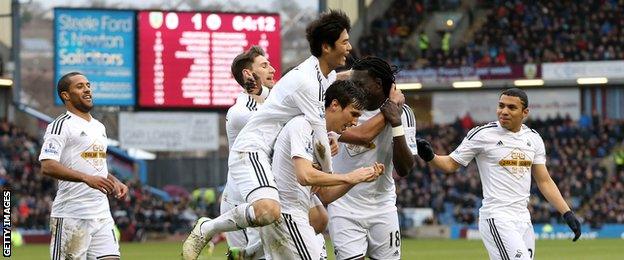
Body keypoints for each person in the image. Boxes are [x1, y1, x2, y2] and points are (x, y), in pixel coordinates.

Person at [182, 9, 353, 258]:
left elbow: (314, 112)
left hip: (273, 164)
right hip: (253, 158)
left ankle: (247, 254)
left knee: (318, 218)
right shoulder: (248, 108)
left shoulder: (319, 79)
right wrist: (325, 172)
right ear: (327, 47)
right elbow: (313, 130)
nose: (272, 68)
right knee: (268, 212)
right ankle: (208, 227)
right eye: (345, 42)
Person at [417, 88, 582, 260]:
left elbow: (544, 181)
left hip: (523, 219)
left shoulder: (533, 139)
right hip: (497, 217)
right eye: (501, 106)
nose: (504, 111)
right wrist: (430, 157)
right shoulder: (482, 134)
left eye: (511, 107)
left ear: (525, 112)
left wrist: (567, 213)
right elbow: (450, 164)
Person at [261, 79, 384, 260]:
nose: (355, 122)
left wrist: (358, 179)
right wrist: (349, 177)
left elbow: (326, 195)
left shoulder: (323, 138)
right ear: (334, 105)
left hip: (299, 216)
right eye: (353, 114)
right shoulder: (302, 125)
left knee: (321, 219)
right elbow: (304, 175)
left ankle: (250, 253)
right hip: (287, 215)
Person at [328, 57, 418, 260]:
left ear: (378, 84)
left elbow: (405, 168)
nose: (355, 90)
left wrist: (396, 124)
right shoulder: (341, 109)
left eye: (360, 84)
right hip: (343, 206)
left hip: (382, 207)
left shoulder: (404, 114)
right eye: (353, 84)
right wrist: (389, 111)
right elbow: (361, 136)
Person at [39, 72, 128, 260]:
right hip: (72, 215)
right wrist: (86, 178)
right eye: (79, 86)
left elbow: (95, 165)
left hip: (101, 214)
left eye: (88, 85)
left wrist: (113, 180)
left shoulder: (99, 127)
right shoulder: (60, 126)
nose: (87, 89)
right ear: (66, 95)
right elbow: (47, 165)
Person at [220, 45, 275, 260]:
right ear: (248, 74)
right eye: (264, 65)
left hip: (262, 192)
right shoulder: (240, 112)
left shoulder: (269, 99)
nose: (271, 69)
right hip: (241, 198)